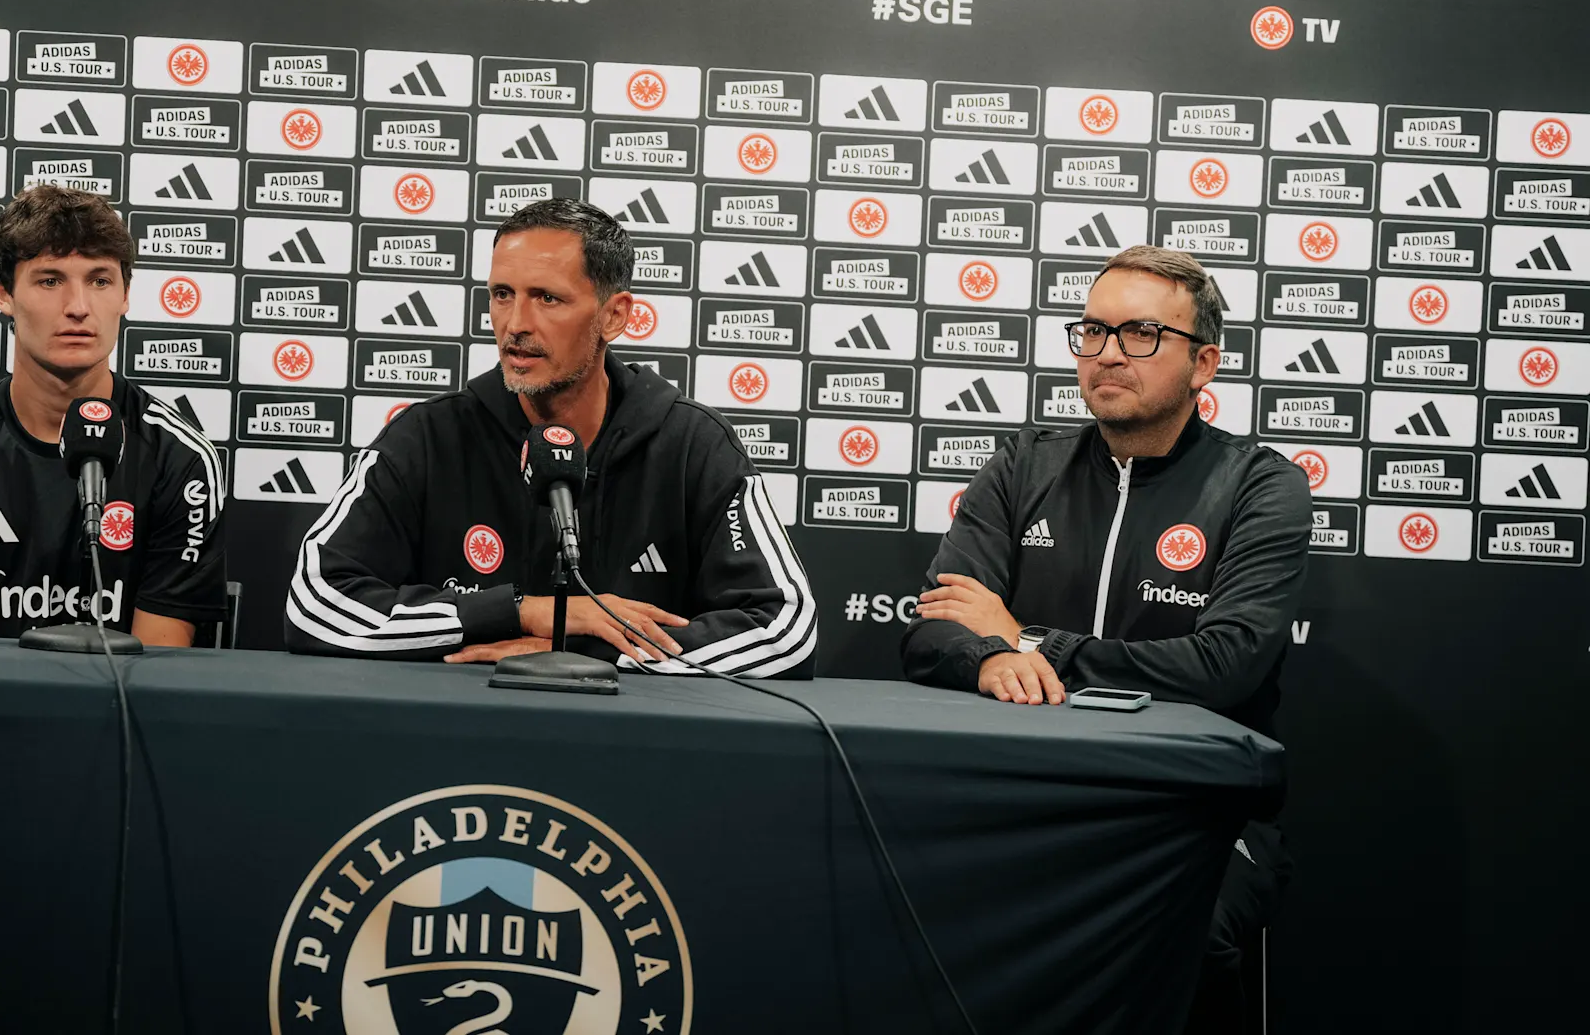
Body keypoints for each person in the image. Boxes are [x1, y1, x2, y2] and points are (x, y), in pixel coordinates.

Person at [900, 244, 1309, 1033]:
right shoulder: (1025, 463)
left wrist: (1028, 642)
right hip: (1017, 797)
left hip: (1195, 813)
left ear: (1203, 364)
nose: (1109, 351)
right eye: (1092, 331)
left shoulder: (1261, 485)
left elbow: (1224, 667)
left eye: (1142, 333)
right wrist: (988, 655)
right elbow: (934, 631)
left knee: (1169, 942)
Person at [286, 198, 815, 676]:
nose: (516, 323)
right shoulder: (427, 436)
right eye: (502, 295)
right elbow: (316, 604)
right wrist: (519, 612)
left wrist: (579, 653)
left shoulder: (693, 445)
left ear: (614, 316)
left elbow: (784, 630)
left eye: (548, 298)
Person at [0, 186, 226, 643]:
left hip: (120, 711)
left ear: (125, 296)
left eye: (100, 281)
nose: (78, 307)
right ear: (4, 294)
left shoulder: (180, 459)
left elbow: (160, 673)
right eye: (50, 280)